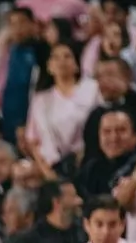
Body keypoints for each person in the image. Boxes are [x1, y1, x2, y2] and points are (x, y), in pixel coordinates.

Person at [25, 42, 100, 174]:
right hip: (53, 166)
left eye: (67, 56)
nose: (62, 61)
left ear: (76, 64)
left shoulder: (92, 89)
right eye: (56, 57)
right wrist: (46, 172)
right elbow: (33, 140)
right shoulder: (40, 100)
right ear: (49, 66)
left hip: (89, 160)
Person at [82, 56, 136, 163]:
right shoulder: (95, 115)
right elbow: (90, 156)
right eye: (99, 77)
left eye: (110, 75)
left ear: (127, 77)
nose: (103, 81)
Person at [2, 5, 40, 145]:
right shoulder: (12, 52)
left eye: (22, 22)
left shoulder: (39, 51)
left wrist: (25, 123)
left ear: (32, 24)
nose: (17, 28)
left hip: (30, 120)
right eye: (12, 24)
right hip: (10, 117)